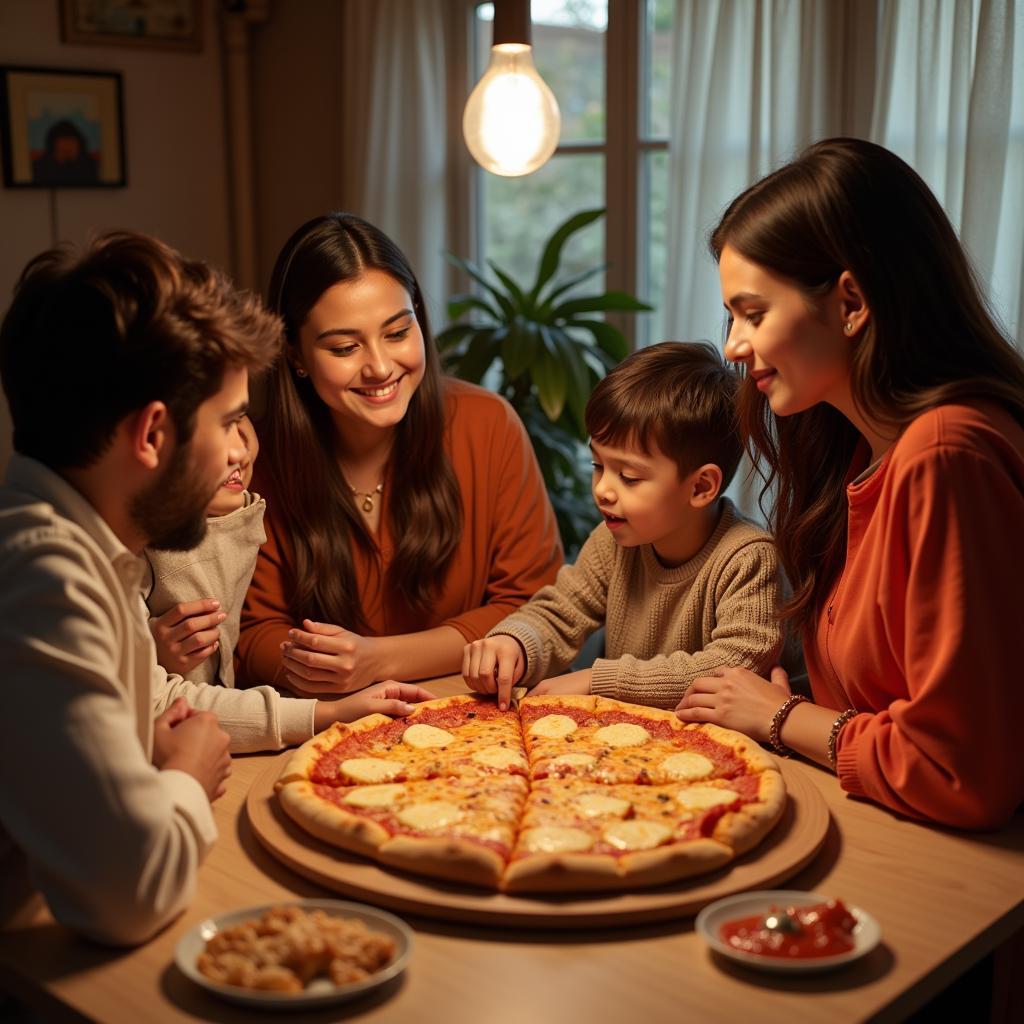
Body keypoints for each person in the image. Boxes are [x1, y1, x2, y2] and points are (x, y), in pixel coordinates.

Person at [0, 232, 434, 945]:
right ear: (153, 436)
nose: (241, 450)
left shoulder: (82, 548)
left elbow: (159, 702)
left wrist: (325, 716)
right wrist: (190, 778)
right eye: (230, 420)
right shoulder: (44, 580)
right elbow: (126, 896)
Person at [676, 137, 1024, 830]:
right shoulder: (867, 448)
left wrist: (782, 717)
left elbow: (964, 773)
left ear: (851, 302)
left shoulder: (945, 454)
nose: (735, 346)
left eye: (753, 313)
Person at [237, 212, 562, 695]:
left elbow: (534, 608)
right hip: (324, 722)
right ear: (296, 355)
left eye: (396, 333)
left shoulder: (487, 425)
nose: (381, 367)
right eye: (345, 347)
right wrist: (326, 667)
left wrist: (377, 660)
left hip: (470, 716)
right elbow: (250, 632)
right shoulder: (251, 461)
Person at [463, 341, 784, 711]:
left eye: (628, 477)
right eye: (597, 465)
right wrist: (515, 642)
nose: (602, 490)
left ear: (700, 487)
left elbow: (734, 665)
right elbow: (560, 612)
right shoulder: (612, 540)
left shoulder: (750, 557)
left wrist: (598, 681)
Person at [144, 414, 262, 685]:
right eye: (216, 425)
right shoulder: (129, 544)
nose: (240, 449)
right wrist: (144, 654)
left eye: (240, 417)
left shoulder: (240, 508)